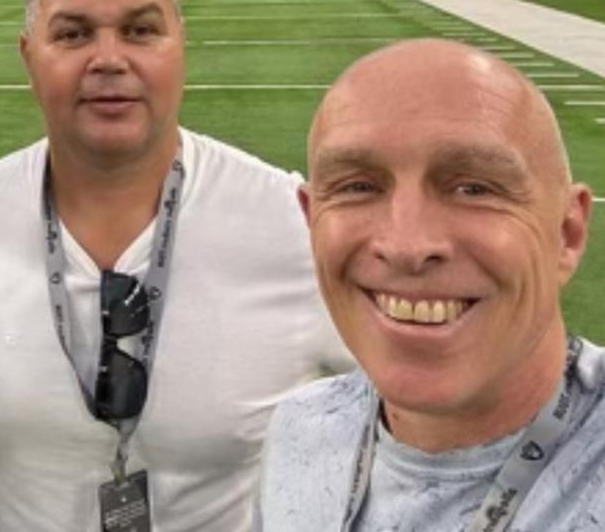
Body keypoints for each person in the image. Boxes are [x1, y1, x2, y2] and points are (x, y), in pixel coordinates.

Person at [0, 0, 351, 532]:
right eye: (73, 33)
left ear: (179, 43)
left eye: (140, 30)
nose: (108, 59)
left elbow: (424, 429)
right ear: (30, 57)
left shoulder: (290, 222)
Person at [256, 39, 603, 530]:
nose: (406, 244)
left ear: (566, 234)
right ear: (312, 220)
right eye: (358, 186)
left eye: (474, 187)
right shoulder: (299, 429)